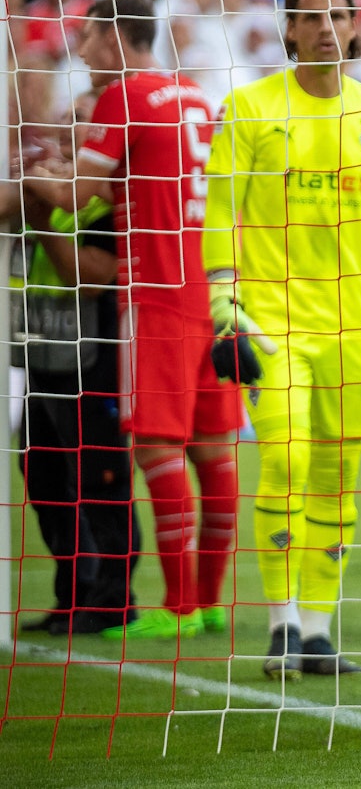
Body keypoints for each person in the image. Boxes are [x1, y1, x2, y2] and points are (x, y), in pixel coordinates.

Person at [202, 0, 361, 680]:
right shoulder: (248, 108)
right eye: (311, 18)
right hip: (269, 320)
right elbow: (219, 213)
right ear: (290, 29)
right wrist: (223, 306)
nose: (326, 28)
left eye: (337, 15)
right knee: (284, 458)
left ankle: (317, 630)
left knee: (338, 474)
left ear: (354, 25)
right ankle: (280, 625)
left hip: (348, 324)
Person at [24, 0, 242, 641]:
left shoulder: (123, 96)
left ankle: (175, 607)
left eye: (87, 39)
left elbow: (74, 195)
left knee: (153, 446)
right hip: (211, 289)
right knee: (214, 454)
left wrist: (30, 175)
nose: (82, 53)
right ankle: (207, 603)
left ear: (116, 38)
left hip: (153, 291)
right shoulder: (196, 96)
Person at [16, 90, 140, 636]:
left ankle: (116, 597)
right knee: (41, 474)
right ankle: (74, 591)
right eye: (67, 120)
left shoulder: (114, 198)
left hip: (95, 360)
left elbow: (90, 274)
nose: (71, 130)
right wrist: (33, 187)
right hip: (42, 355)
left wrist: (42, 212)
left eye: (84, 123)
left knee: (101, 478)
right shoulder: (42, 186)